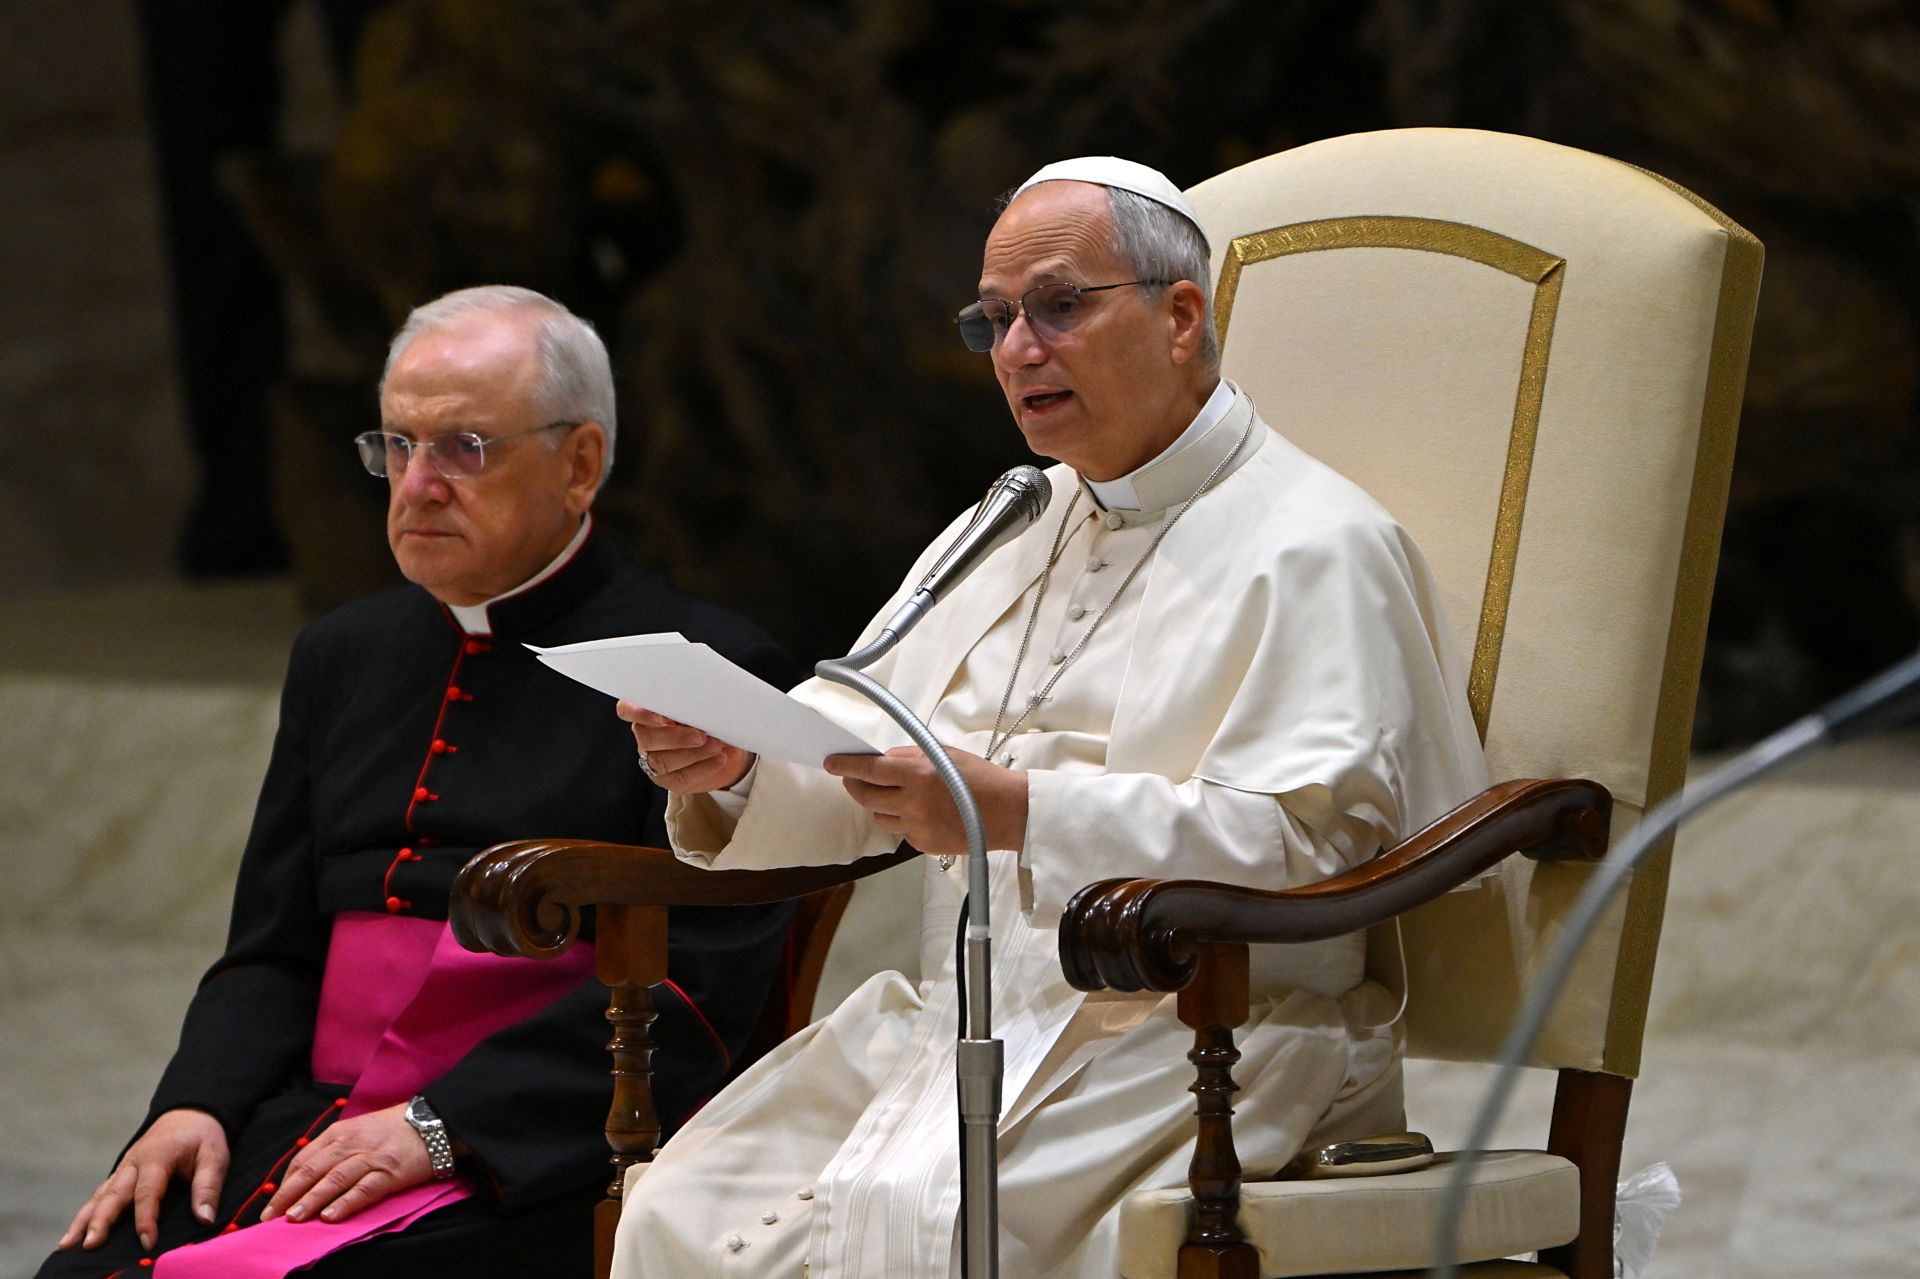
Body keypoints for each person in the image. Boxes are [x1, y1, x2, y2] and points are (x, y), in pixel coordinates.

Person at [612, 158, 1491, 1277]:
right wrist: (735, 763)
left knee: (937, 1232)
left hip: (1208, 1040)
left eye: (1060, 307)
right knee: (680, 1211)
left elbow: (1314, 850)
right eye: (995, 320)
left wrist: (1018, 812)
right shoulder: (1015, 515)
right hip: (969, 1021)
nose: (1019, 349)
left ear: (1181, 316)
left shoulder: (1320, 544)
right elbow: (861, 721)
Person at [40, 286, 800, 1279]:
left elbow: (702, 1000)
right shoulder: (340, 655)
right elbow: (271, 949)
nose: (417, 484)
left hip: (537, 1144)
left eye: (464, 448)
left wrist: (442, 1126)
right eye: (396, 445)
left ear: (581, 465)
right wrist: (195, 1104)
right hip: (309, 1118)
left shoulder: (710, 672)